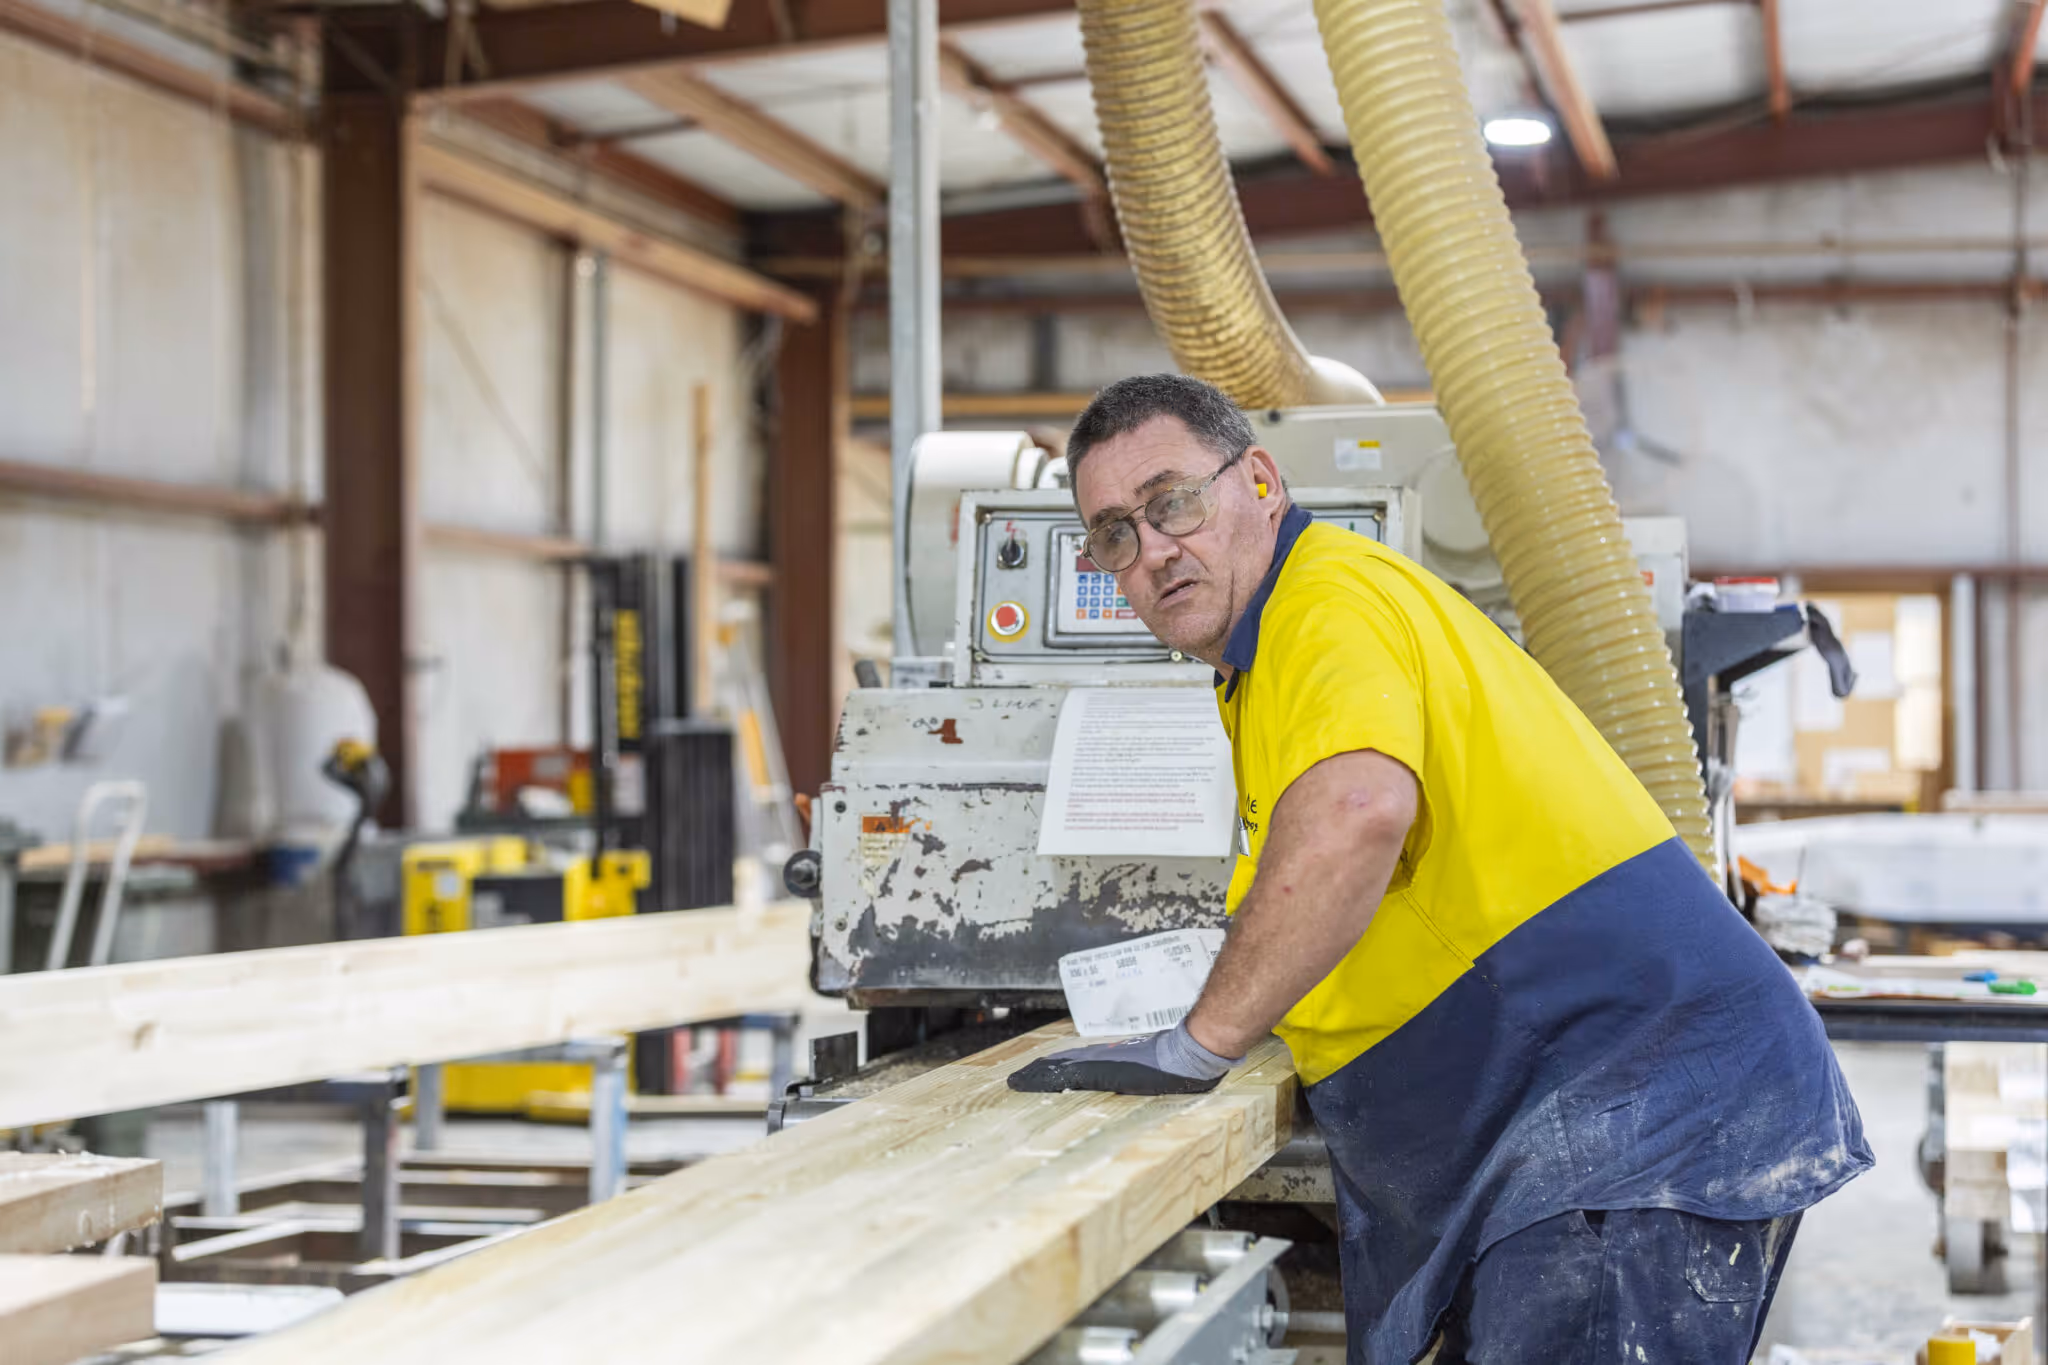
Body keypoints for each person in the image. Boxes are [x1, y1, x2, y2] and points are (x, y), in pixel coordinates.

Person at [1007, 374, 1871, 1364]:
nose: (1153, 550)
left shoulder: (1323, 605)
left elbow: (1357, 814)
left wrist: (1199, 1043)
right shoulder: (1265, 659)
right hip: (1596, 1120)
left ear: (1257, 481)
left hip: (1627, 1120)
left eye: (1171, 503)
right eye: (1114, 534)